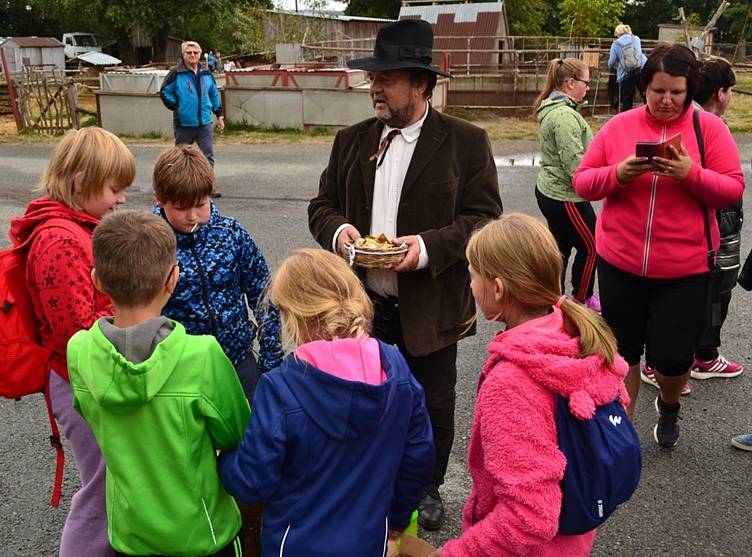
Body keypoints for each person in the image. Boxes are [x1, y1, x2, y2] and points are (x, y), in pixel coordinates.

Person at [307, 18, 502, 530]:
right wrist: (341, 232)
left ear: (420, 84)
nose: (375, 87)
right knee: (365, 395)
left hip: (432, 303)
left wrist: (421, 249)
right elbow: (321, 204)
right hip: (363, 303)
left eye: (387, 78)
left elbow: (483, 219)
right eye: (374, 77)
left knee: (431, 402)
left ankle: (425, 486)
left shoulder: (466, 141)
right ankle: (370, 478)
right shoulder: (350, 140)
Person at [572, 44, 744, 448]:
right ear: (643, 88)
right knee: (624, 352)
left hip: (684, 271)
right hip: (620, 263)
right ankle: (622, 431)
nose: (666, 100)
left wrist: (690, 174)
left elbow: (733, 189)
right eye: (657, 91)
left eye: (677, 92)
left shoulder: (710, 130)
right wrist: (618, 174)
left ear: (690, 90)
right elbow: (582, 181)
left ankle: (669, 406)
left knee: (671, 360)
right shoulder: (619, 126)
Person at [431, 213, 629, 557]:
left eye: (472, 274)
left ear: (497, 288)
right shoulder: (577, 335)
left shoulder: (511, 383)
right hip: (574, 539)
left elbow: (530, 516)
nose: (470, 284)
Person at [218, 248, 435, 556]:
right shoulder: (395, 368)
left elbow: (253, 480)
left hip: (294, 545)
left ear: (292, 316)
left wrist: (224, 460)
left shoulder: (280, 388)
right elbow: (418, 456)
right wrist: (398, 516)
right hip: (369, 540)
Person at [67, 211, 250, 557]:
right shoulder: (202, 356)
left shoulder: (80, 352)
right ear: (173, 280)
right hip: (203, 534)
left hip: (130, 534)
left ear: (97, 281)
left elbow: (90, 415)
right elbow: (237, 433)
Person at [11, 127, 135, 556]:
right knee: (100, 490)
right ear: (81, 181)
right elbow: (75, 333)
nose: (121, 199)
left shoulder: (76, 228)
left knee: (110, 481)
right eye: (115, 189)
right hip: (80, 381)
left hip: (86, 377)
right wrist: (133, 315)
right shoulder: (60, 240)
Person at [152, 144, 283, 401]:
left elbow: (265, 294)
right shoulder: (150, 242)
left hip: (237, 360)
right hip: (179, 369)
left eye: (201, 205)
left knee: (252, 432)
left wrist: (270, 358)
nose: (192, 217)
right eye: (180, 208)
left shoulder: (231, 235)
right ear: (160, 199)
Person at [691, 56, 744, 381]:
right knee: (716, 290)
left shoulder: (691, 120)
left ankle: (688, 353)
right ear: (720, 92)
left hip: (708, 223)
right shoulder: (711, 127)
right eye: (730, 91)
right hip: (716, 224)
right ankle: (704, 355)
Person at [533, 58, 599, 312]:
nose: (588, 88)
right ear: (571, 83)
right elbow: (574, 162)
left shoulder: (559, 110)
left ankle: (554, 301)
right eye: (586, 82)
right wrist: (598, 182)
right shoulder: (564, 116)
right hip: (565, 195)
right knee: (593, 244)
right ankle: (581, 301)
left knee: (561, 247)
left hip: (553, 191)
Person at [160, 40, 224, 197]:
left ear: (200, 54)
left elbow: (214, 95)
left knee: (207, 157)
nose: (193, 55)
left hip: (204, 123)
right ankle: (178, 189)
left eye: (195, 52)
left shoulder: (206, 74)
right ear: (183, 54)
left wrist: (219, 115)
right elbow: (164, 92)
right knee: (181, 158)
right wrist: (177, 106)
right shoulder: (176, 73)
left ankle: (207, 189)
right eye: (189, 53)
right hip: (184, 124)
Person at [609, 24, 646, 112]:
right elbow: (639, 55)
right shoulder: (636, 39)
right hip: (641, 70)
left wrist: (618, 67)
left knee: (627, 99)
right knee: (645, 94)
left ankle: (627, 119)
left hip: (625, 74)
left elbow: (611, 62)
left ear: (617, 33)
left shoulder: (616, 44)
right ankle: (649, 114)